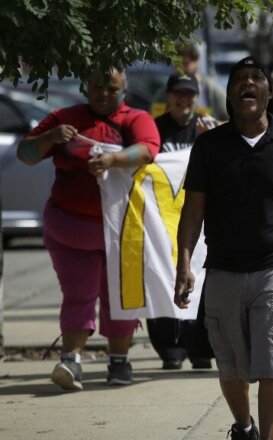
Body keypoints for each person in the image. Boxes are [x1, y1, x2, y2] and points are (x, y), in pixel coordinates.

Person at [174, 56, 273, 440]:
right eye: (238, 79)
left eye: (255, 78)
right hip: (223, 271)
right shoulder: (208, 147)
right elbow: (192, 213)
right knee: (230, 368)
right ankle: (243, 427)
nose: (247, 83)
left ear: (268, 93)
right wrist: (184, 264)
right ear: (229, 95)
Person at [17, 66, 161, 390]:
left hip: (121, 232)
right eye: (97, 87)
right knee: (78, 295)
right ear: (86, 87)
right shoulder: (64, 117)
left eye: (112, 89)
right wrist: (49, 138)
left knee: (120, 298)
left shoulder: (134, 119)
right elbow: (25, 153)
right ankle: (72, 361)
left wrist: (114, 160)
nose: (104, 94)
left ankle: (119, 362)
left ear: (124, 90)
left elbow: (148, 150)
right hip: (70, 230)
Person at [145, 73, 218, 370]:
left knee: (200, 279)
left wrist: (209, 141)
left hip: (197, 219)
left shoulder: (208, 129)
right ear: (168, 96)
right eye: (178, 93)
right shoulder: (153, 129)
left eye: (189, 94)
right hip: (160, 220)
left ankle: (200, 344)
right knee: (161, 276)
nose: (183, 100)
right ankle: (169, 345)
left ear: (197, 97)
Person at [151, 41, 229, 120]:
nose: (184, 98)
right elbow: (155, 122)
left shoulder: (213, 91)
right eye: (178, 92)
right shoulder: (163, 93)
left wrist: (213, 126)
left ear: (197, 62)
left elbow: (232, 121)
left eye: (186, 63)